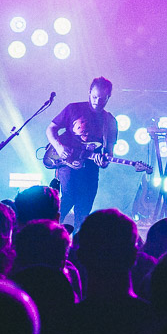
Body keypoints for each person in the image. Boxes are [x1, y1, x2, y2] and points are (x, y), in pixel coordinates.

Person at [45, 77, 118, 231]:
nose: (97, 101)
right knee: (66, 200)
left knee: (84, 210)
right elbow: (51, 129)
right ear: (89, 93)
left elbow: (109, 152)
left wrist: (104, 162)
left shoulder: (110, 121)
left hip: (90, 169)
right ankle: (47, 234)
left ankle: (77, 248)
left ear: (109, 97)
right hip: (68, 164)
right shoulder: (73, 109)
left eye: (102, 98)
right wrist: (58, 148)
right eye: (94, 97)